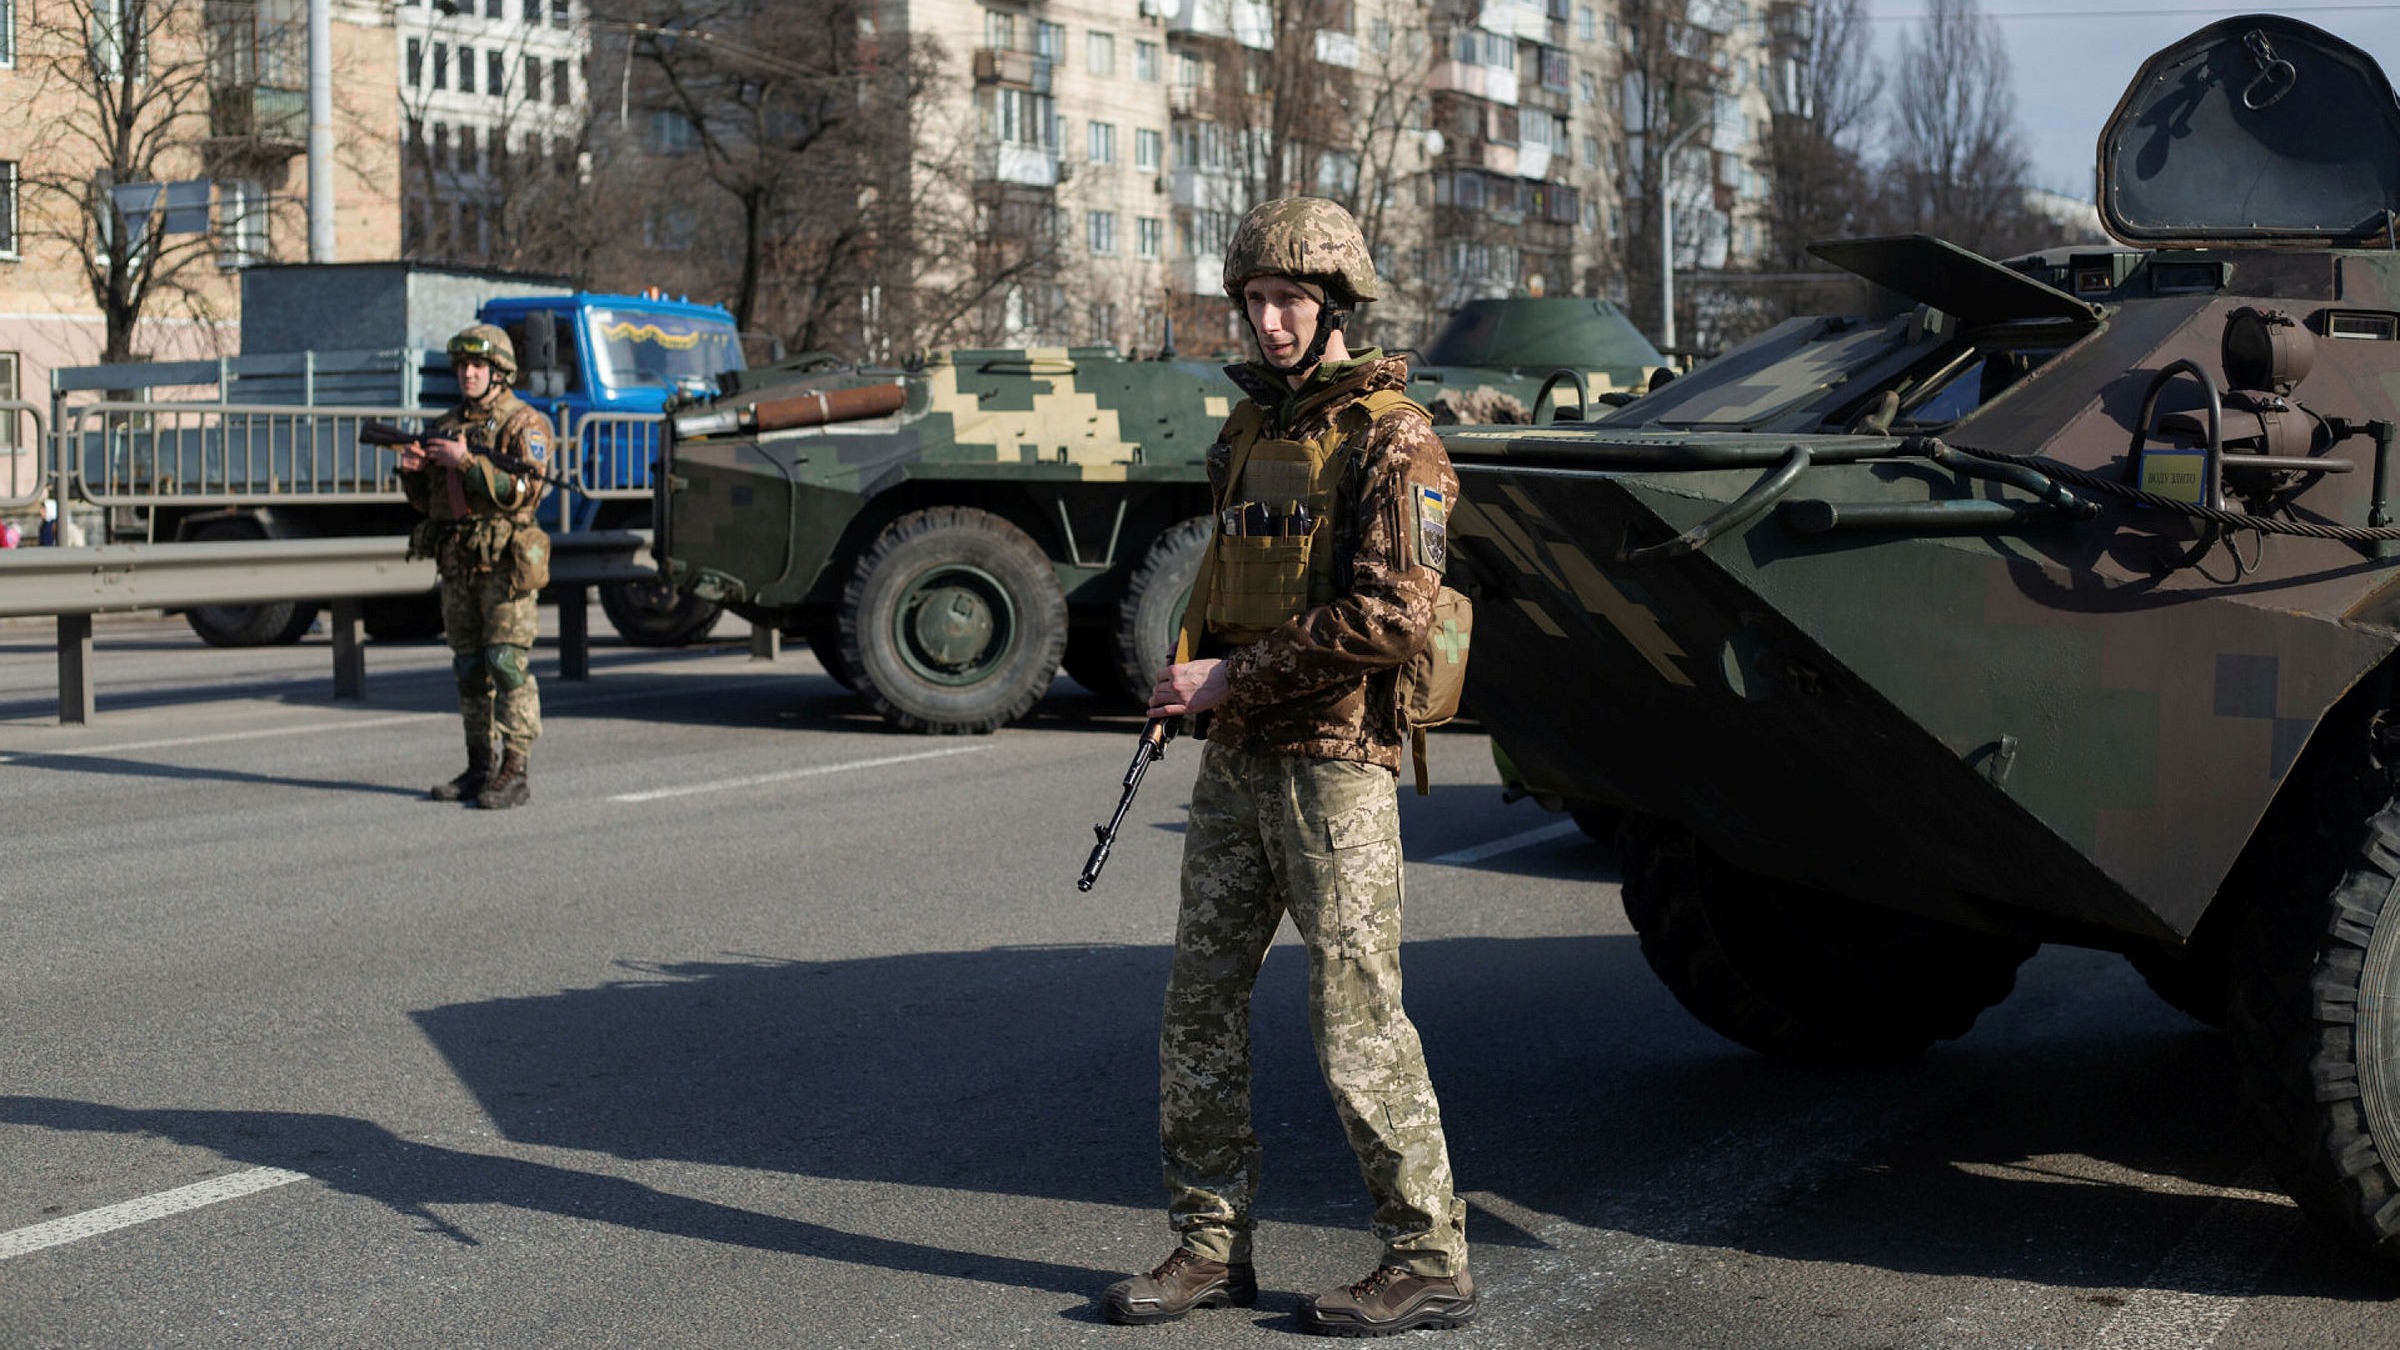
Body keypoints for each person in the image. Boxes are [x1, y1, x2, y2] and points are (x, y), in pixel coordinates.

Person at [1102, 197, 1474, 1337]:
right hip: (1241, 760)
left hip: (1334, 768)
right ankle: (1211, 1248)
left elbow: (1395, 616)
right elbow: (1224, 581)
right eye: (1257, 300)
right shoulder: (1250, 435)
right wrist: (1189, 681)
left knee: (1357, 1016)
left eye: (1290, 302)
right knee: (1199, 1006)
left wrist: (1228, 681)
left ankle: (1427, 1256)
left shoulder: (1393, 437)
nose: (1269, 322)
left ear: (1336, 310)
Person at [396, 323, 553, 810]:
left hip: (505, 565)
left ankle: (516, 769)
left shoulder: (523, 424)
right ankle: (479, 764)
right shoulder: (447, 426)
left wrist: (467, 463)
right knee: (468, 668)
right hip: (459, 561)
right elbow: (432, 505)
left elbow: (523, 491)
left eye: (477, 366)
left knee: (506, 663)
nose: (467, 374)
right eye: (462, 366)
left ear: (500, 373)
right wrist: (413, 474)